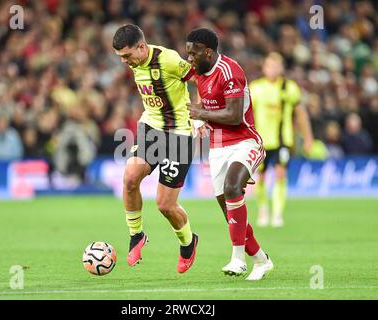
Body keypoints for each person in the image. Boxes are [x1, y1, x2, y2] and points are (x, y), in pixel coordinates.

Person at [186, 28, 273, 280]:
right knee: (230, 211)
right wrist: (198, 118)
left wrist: (200, 114)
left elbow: (234, 117)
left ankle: (238, 260)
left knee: (233, 187)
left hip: (245, 141)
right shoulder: (199, 71)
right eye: (187, 53)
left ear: (208, 52)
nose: (189, 59)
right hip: (217, 147)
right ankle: (261, 259)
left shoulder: (230, 71)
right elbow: (188, 87)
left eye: (193, 54)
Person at [112, 24, 198, 273]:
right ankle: (136, 235)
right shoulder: (136, 63)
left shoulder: (169, 60)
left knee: (165, 205)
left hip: (179, 135)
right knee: (130, 178)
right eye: (121, 58)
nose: (125, 62)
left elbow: (200, 80)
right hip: (151, 127)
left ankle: (188, 242)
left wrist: (202, 115)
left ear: (142, 46)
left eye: (127, 56)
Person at [249, 52, 313, 227]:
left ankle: (277, 213)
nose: (273, 69)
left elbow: (300, 114)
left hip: (283, 140)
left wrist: (308, 138)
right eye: (270, 66)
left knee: (280, 174)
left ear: (282, 68)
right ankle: (263, 209)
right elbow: (247, 115)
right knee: (260, 177)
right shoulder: (256, 88)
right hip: (260, 141)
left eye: (276, 66)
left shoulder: (289, 88)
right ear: (264, 68)